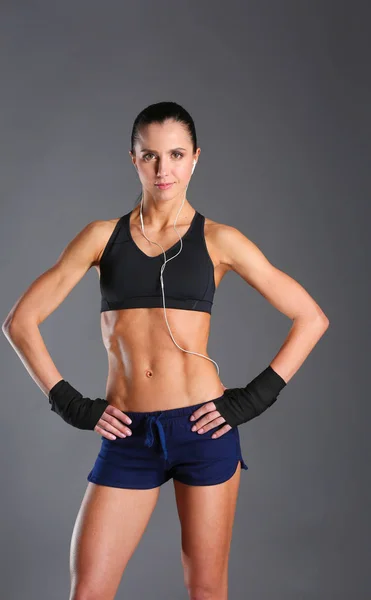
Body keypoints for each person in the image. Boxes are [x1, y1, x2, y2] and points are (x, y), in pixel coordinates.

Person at [2, 101, 329, 600]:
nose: (163, 169)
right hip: (129, 432)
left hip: (202, 430)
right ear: (133, 160)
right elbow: (20, 321)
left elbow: (311, 318)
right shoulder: (100, 237)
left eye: (175, 155)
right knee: (89, 590)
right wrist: (70, 402)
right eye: (150, 156)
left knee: (205, 589)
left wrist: (250, 400)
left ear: (195, 158)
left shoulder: (219, 240)